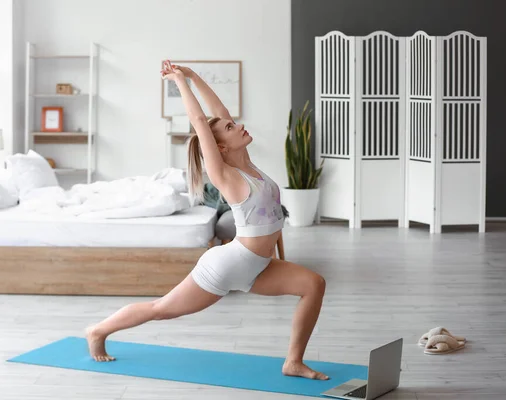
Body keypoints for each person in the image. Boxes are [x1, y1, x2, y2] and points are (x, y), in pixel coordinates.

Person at [86, 60, 329, 381]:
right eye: (229, 128)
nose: (237, 125)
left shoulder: (249, 165)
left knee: (314, 284)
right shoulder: (226, 174)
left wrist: (194, 75)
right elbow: (200, 120)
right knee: (162, 309)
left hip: (259, 266)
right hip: (229, 264)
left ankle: (293, 362)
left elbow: (217, 115)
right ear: (220, 147)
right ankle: (98, 330)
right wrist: (178, 81)